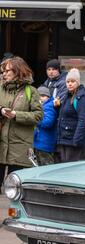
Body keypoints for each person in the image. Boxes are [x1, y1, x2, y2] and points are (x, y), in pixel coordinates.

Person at [0, 56, 43, 184]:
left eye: (7, 71)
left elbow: (39, 115)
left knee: (16, 188)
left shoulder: (31, 91)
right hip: (1, 144)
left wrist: (16, 115)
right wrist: (1, 110)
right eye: (3, 71)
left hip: (20, 147)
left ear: (18, 71)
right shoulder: (1, 89)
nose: (4, 74)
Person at [56, 68, 85, 162]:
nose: (69, 84)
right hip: (66, 140)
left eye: (72, 81)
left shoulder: (82, 97)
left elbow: (83, 120)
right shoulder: (67, 96)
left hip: (74, 142)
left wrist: (76, 141)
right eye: (68, 81)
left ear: (78, 82)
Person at [33, 86, 57, 165]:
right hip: (39, 142)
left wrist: (34, 119)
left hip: (45, 144)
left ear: (48, 97)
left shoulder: (49, 107)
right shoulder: (41, 107)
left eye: (43, 96)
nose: (40, 98)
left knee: (46, 166)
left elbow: (47, 123)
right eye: (38, 96)